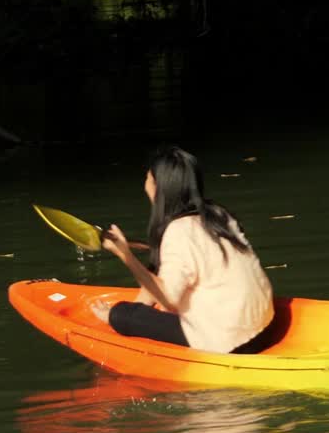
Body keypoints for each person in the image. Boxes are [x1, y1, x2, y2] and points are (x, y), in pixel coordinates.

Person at [98, 145, 274, 354]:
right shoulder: (218, 214)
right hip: (265, 326)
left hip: (229, 342)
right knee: (140, 308)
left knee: (121, 315)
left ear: (157, 187)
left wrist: (125, 255)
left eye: (147, 178)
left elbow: (169, 300)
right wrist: (141, 304)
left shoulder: (177, 231)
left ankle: (118, 314)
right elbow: (162, 271)